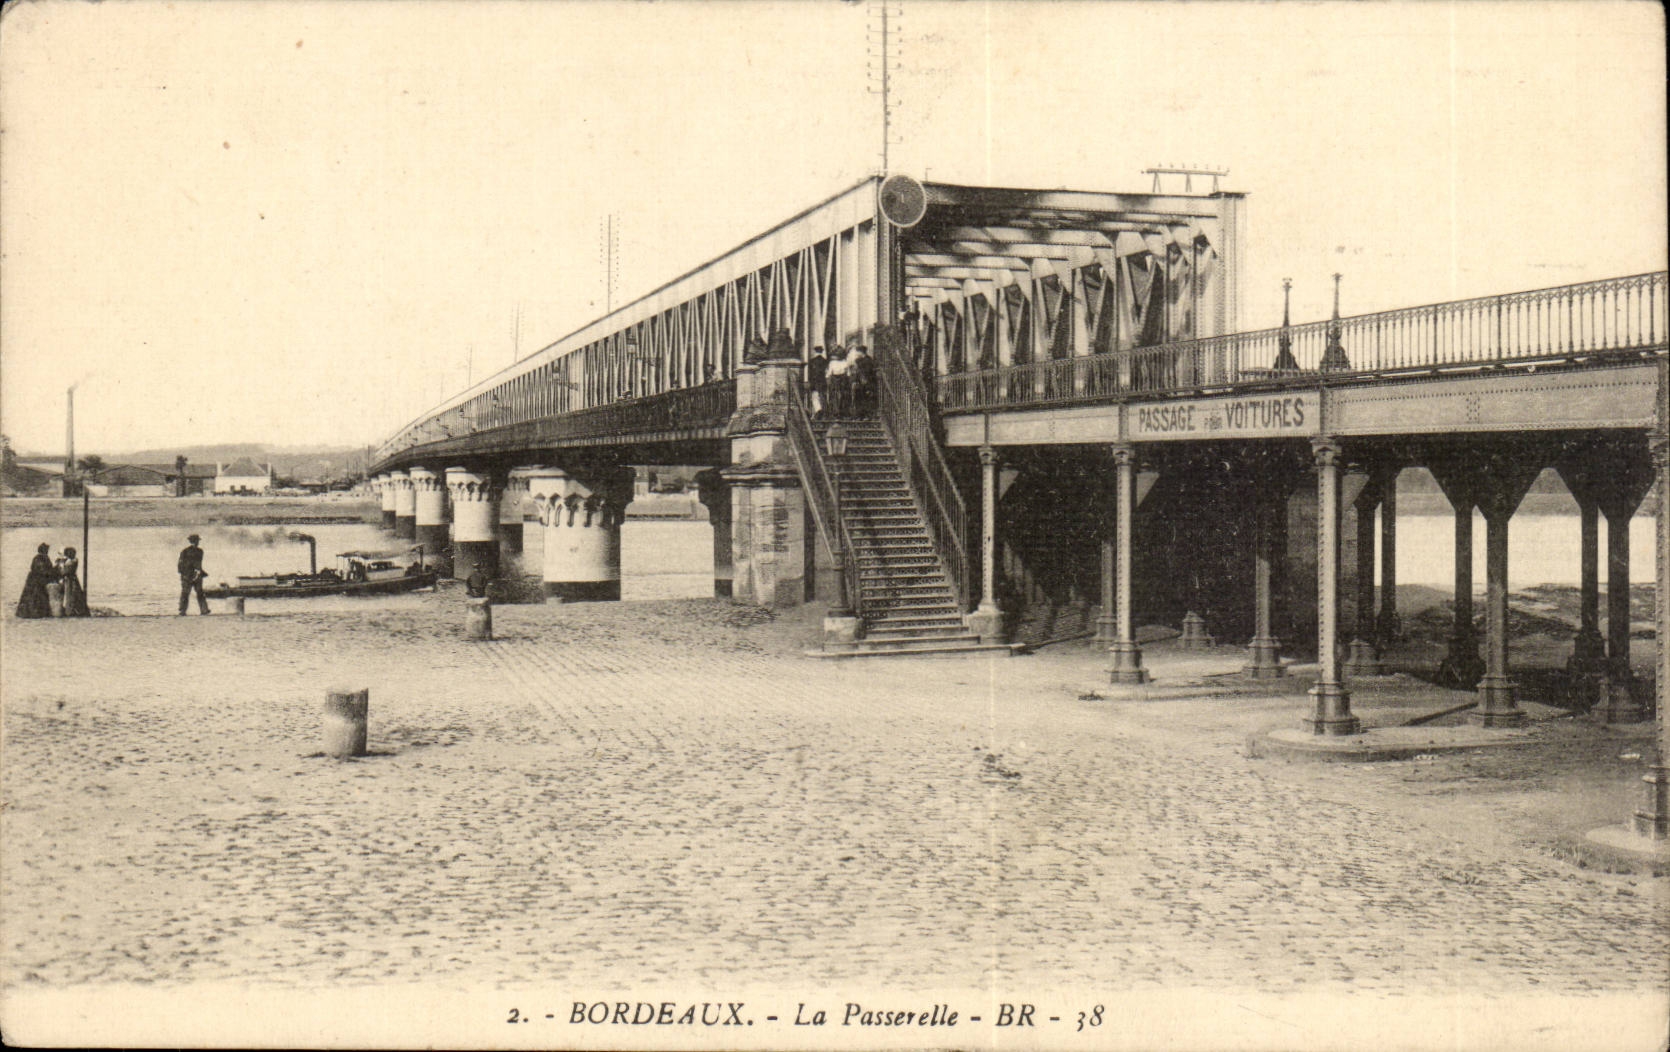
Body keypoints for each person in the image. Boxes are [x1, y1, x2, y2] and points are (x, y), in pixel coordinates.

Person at [15, 543, 56, 619]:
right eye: (46, 550)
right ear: (43, 550)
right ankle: (34, 613)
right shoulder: (39, 558)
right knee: (35, 596)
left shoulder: (43, 558)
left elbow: (48, 568)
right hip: (36, 579)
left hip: (37, 579)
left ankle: (39, 612)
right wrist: (50, 573)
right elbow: (41, 569)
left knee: (39, 596)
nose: (47, 551)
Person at [177, 533, 209, 615]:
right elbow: (197, 564)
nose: (197, 542)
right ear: (194, 541)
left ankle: (183, 610)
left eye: (197, 541)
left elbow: (180, 565)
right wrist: (198, 572)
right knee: (195, 592)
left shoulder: (186, 551)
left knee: (189, 592)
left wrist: (183, 574)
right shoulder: (198, 551)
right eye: (196, 541)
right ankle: (203, 610)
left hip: (190, 575)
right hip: (192, 575)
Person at [59, 546, 90, 618]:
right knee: (72, 595)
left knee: (71, 596)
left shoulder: (71, 561)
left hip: (70, 581)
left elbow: (64, 571)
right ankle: (72, 610)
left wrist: (61, 565)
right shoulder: (72, 560)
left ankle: (70, 611)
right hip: (70, 580)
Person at [850, 344, 875, 415]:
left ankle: (866, 414)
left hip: (866, 382)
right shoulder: (857, 360)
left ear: (862, 352)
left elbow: (869, 371)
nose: (857, 353)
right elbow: (855, 371)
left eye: (858, 352)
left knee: (866, 399)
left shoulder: (868, 360)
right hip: (859, 382)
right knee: (858, 398)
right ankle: (859, 414)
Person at [826, 346, 852, 418]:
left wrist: (828, 379)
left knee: (836, 395)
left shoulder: (832, 363)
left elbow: (829, 374)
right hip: (842, 380)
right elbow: (849, 374)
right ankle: (840, 411)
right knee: (842, 395)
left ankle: (837, 412)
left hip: (837, 380)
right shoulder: (845, 363)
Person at [806, 346, 829, 417]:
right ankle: (824, 411)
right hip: (822, 381)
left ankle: (818, 410)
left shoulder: (812, 361)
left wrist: (809, 381)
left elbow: (809, 373)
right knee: (823, 396)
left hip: (814, 381)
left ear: (815, 352)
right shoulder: (825, 361)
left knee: (814, 397)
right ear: (821, 352)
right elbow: (826, 372)